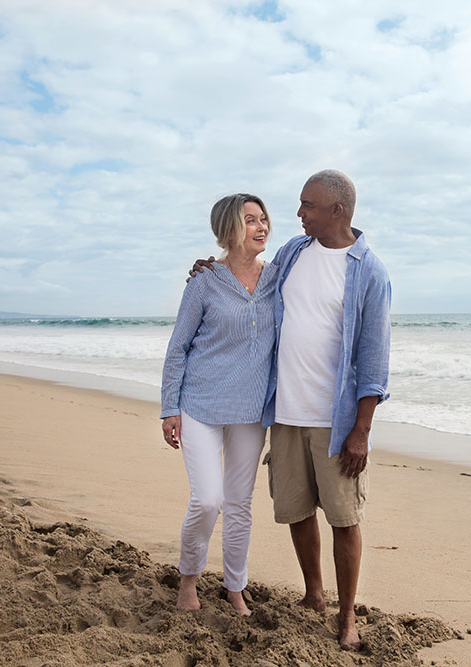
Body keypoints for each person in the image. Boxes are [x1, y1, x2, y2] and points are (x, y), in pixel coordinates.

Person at [192, 170, 391, 650]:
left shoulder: (369, 271)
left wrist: (361, 431)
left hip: (335, 421)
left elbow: (374, 360)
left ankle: (347, 616)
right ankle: (314, 595)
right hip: (282, 413)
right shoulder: (293, 254)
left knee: (343, 519)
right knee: (297, 511)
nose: (298, 214)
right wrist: (210, 267)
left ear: (337, 211)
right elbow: (248, 274)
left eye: (308, 206)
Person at [160, 193, 277, 616]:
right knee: (207, 500)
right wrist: (168, 407)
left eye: (263, 219)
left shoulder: (278, 277)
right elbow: (178, 348)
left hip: (250, 409)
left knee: (240, 503)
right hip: (200, 404)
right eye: (250, 220)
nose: (262, 226)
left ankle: (234, 588)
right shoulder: (204, 280)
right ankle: (188, 582)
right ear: (228, 228)